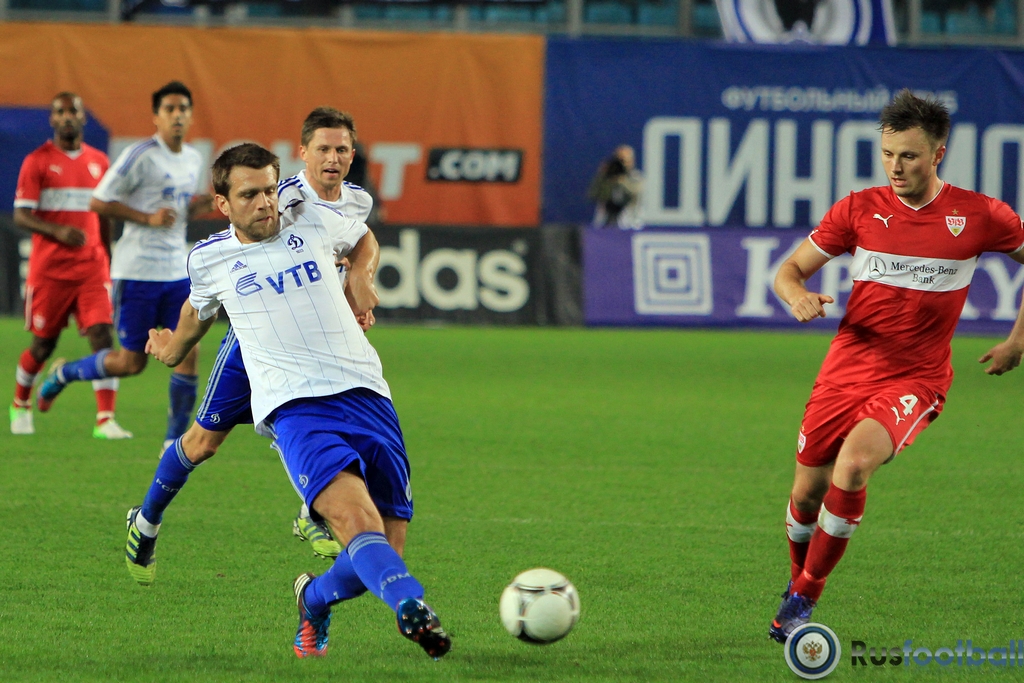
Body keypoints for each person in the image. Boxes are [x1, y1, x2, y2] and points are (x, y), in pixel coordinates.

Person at [144, 143, 450, 659]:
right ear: (222, 204)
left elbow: (363, 238)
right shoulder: (210, 258)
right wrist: (170, 351)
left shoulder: (312, 220)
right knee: (356, 524)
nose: (265, 202)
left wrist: (360, 275)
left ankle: (314, 598)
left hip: (368, 394)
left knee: (386, 548)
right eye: (249, 194)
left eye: (269, 189)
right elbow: (196, 315)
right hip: (296, 408)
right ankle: (411, 607)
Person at [768, 89, 1024, 642]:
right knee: (806, 494)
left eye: (908, 155)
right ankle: (796, 583)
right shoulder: (858, 209)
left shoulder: (980, 215)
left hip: (916, 377)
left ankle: (806, 595)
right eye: (887, 154)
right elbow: (788, 270)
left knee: (854, 465)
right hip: (845, 370)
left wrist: (1017, 340)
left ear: (938, 153)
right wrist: (797, 296)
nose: (895, 166)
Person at [121, 109, 376, 591]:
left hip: (316, 345)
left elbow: (356, 248)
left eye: (342, 149)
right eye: (323, 149)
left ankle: (311, 513)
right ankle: (146, 520)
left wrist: (356, 287)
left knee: (326, 424)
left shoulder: (354, 202)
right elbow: (200, 307)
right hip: (254, 344)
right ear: (303, 154)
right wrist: (173, 349)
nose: (333, 158)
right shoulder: (284, 201)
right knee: (203, 443)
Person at [36, 81, 212, 449]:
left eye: (183, 109)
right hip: (137, 273)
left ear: (191, 115)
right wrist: (146, 219)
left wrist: (196, 206)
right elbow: (99, 201)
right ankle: (65, 372)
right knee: (131, 363)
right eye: (169, 109)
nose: (177, 115)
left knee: (188, 350)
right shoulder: (140, 155)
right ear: (156, 117)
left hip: (176, 272)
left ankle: (173, 443)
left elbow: (175, 210)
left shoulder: (193, 158)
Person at [10, 92, 130, 439]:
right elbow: (21, 215)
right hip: (50, 271)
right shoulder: (37, 161)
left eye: (72, 111)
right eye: (60, 112)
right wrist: (57, 230)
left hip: (91, 268)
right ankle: (20, 404)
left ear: (82, 117)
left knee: (102, 337)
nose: (66, 117)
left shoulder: (99, 162)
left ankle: (105, 419)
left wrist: (107, 257)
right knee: (43, 345)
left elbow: (104, 215)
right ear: (52, 119)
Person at [588, 144, 644, 229]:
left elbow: (635, 193)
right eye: (618, 160)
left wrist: (622, 180)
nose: (621, 164)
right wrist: (603, 177)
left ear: (631, 161)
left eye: (623, 160)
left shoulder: (636, 177)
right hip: (605, 221)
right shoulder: (606, 177)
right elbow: (594, 194)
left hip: (629, 221)